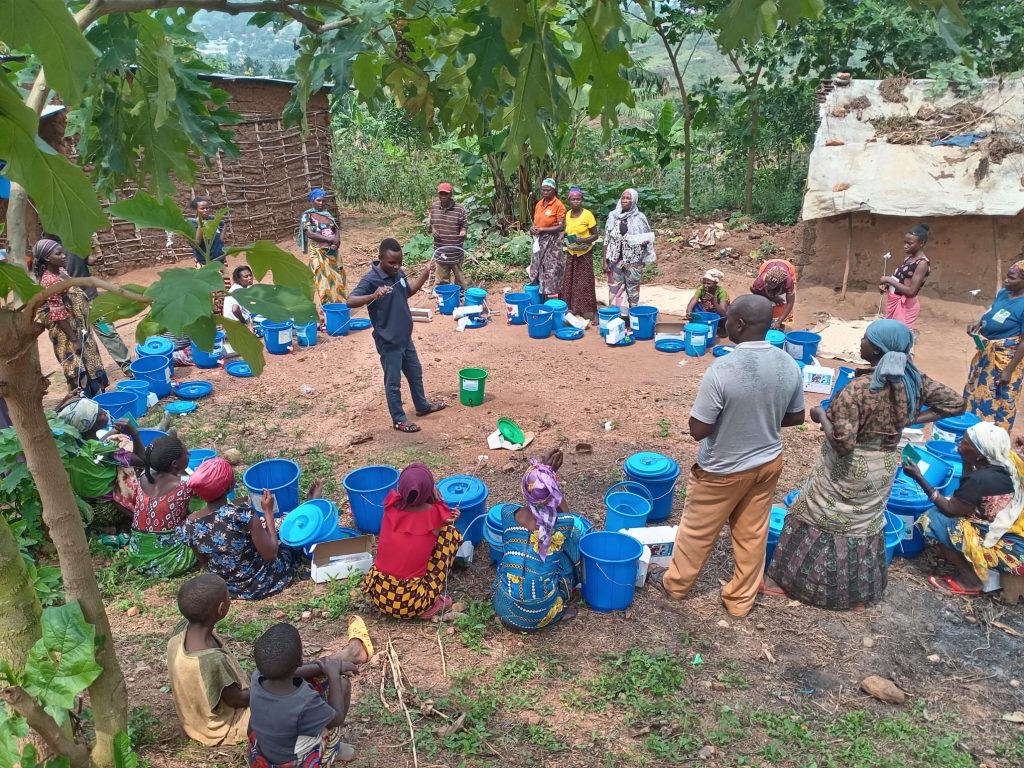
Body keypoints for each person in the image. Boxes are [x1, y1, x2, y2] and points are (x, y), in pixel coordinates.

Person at [765, 319, 965, 609]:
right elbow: (956, 404)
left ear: (877, 350)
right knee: (863, 527)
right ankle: (857, 597)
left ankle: (792, 585)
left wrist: (820, 414)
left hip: (845, 470)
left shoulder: (858, 390)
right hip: (881, 468)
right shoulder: (914, 381)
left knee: (817, 518)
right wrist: (910, 419)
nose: (861, 343)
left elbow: (843, 444)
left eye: (866, 339)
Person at [648, 296, 805, 617]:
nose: (724, 324)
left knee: (697, 530)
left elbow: (698, 429)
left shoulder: (723, 368)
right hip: (767, 463)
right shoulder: (788, 364)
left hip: (722, 469)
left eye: (728, 319)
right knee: (751, 533)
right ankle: (740, 601)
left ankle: (676, 586)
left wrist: (733, 418)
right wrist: (761, 417)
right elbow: (796, 417)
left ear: (740, 325)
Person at [166, 574, 373, 749]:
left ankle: (333, 661)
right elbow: (240, 699)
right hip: (227, 725)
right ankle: (332, 744)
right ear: (221, 609)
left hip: (196, 718)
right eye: (228, 596)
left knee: (285, 665)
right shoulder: (211, 662)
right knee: (322, 684)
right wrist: (309, 672)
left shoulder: (183, 631)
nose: (230, 598)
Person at [901, 423, 1024, 596]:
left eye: (965, 442)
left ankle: (970, 580)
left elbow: (951, 510)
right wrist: (966, 459)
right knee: (953, 502)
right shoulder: (1007, 461)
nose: (959, 442)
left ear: (981, 454)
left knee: (932, 519)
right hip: (1014, 528)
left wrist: (919, 477)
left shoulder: (979, 480)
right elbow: (970, 489)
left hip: (1013, 551)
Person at [347, 239, 445, 433]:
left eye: (399, 262)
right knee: (393, 382)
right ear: (380, 259)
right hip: (388, 341)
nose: (397, 266)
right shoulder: (370, 280)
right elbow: (350, 301)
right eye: (392, 262)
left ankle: (422, 406)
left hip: (404, 337)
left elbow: (407, 292)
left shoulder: (398, 273)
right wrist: (373, 295)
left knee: (415, 374)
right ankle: (399, 419)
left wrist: (426, 273)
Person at [183, 458, 310, 600]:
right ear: (229, 487)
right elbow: (271, 555)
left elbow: (203, 560)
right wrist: (268, 511)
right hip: (261, 584)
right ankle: (311, 503)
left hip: (226, 587)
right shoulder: (241, 514)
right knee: (290, 543)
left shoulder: (190, 523)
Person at [492, 450, 584, 630]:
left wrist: (541, 472)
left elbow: (531, 495)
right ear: (554, 492)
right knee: (570, 545)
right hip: (542, 613)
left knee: (515, 561)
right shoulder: (563, 524)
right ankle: (563, 600)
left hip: (505, 608)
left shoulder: (508, 514)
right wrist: (550, 478)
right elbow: (568, 517)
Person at [247, 623, 358, 766]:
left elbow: (294, 672)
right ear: (300, 660)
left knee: (318, 679)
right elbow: (337, 718)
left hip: (263, 751)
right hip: (291, 760)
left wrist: (324, 667)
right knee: (342, 685)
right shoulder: (305, 700)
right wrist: (333, 674)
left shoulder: (257, 677)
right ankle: (334, 749)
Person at [362, 463, 462, 620]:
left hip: (379, 592)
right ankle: (429, 605)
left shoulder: (391, 506)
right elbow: (447, 520)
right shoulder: (434, 515)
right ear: (429, 491)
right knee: (450, 535)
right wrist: (437, 500)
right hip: (409, 603)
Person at [43, 233, 132, 377]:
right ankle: (90, 376)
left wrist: (94, 259)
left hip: (90, 299)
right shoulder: (48, 247)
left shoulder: (75, 238)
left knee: (107, 331)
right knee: (81, 341)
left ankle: (127, 366)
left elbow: (86, 259)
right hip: (70, 306)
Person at [32, 238, 109, 397]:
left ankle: (99, 401)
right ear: (47, 258)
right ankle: (88, 407)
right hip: (68, 334)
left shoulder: (60, 271)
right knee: (78, 368)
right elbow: (58, 313)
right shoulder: (50, 280)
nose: (64, 255)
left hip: (79, 329)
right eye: (58, 253)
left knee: (91, 364)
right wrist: (74, 340)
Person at [55, 396, 144, 528]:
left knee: (115, 438)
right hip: (108, 510)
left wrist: (114, 432)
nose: (104, 412)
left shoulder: (70, 445)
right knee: (131, 468)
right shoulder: (103, 450)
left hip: (86, 506)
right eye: (100, 413)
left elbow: (95, 446)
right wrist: (134, 433)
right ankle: (135, 515)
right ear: (89, 424)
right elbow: (141, 460)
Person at [963, 262, 1024, 431]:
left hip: (1004, 360)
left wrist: (1008, 370)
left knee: (1000, 400)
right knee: (975, 394)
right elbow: (992, 311)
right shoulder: (1004, 293)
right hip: (986, 354)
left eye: (1011, 278)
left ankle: (993, 441)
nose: (1006, 280)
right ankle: (972, 433)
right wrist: (979, 324)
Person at [128, 435, 197, 577]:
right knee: (206, 516)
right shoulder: (185, 485)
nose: (189, 454)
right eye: (186, 453)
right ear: (174, 464)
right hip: (170, 562)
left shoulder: (143, 477)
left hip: (137, 556)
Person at [298, 188, 347, 318]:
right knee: (322, 281)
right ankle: (325, 310)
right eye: (318, 200)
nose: (321, 203)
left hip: (333, 253)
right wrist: (329, 239)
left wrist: (336, 242)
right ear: (312, 201)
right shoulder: (307, 215)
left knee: (337, 280)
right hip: (318, 253)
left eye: (323, 201)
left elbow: (336, 230)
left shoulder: (328, 215)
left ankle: (338, 307)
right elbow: (309, 233)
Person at [604, 188, 655, 308]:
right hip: (614, 259)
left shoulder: (640, 218)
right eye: (623, 198)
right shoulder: (613, 216)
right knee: (614, 290)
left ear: (634, 201)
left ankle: (632, 319)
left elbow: (647, 237)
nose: (625, 200)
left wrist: (644, 242)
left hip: (634, 261)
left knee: (633, 291)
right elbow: (607, 239)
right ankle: (616, 318)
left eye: (628, 198)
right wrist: (604, 261)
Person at [880, 223, 931, 331]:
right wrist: (887, 286)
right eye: (905, 242)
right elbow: (901, 281)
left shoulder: (922, 263)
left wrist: (889, 280)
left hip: (906, 306)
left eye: (910, 243)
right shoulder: (908, 259)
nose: (905, 246)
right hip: (894, 302)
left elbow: (911, 291)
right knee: (891, 336)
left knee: (900, 338)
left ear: (921, 243)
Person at [560, 186, 599, 319]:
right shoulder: (568, 214)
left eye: (578, 199)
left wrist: (583, 239)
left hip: (584, 253)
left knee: (585, 282)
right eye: (573, 199)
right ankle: (573, 308)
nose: (576, 202)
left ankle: (589, 310)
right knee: (570, 281)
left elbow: (596, 235)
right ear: (569, 200)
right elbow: (568, 231)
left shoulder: (587, 214)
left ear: (581, 200)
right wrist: (562, 236)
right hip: (572, 252)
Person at [429, 182, 468, 298]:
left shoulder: (459, 209)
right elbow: (431, 224)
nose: (443, 196)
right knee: (441, 279)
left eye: (445, 194)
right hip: (441, 250)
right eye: (441, 194)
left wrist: (463, 231)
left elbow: (464, 225)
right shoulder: (434, 208)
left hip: (456, 251)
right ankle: (444, 295)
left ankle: (460, 294)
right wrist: (433, 229)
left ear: (451, 194)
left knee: (459, 278)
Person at [529, 179, 567, 301]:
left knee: (551, 270)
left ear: (553, 190)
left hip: (552, 242)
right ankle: (540, 298)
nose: (545, 192)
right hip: (539, 241)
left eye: (548, 190)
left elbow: (561, 226)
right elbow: (536, 223)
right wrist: (533, 229)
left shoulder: (558, 205)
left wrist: (543, 229)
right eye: (543, 189)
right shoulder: (539, 204)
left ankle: (553, 301)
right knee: (538, 268)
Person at [750, 259, 797, 330]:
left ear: (780, 285)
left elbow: (790, 303)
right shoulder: (759, 282)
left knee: (782, 305)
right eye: (766, 283)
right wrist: (773, 298)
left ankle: (780, 325)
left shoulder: (788, 282)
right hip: (768, 265)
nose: (766, 286)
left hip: (787, 266)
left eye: (770, 286)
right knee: (764, 303)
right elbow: (755, 291)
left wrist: (779, 321)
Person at [686, 269, 731, 334]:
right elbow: (691, 304)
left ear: (715, 283)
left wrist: (713, 301)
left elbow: (723, 313)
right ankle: (699, 324)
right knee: (695, 306)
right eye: (704, 283)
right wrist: (689, 313)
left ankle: (722, 328)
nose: (705, 285)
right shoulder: (701, 289)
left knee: (728, 311)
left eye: (708, 283)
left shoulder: (722, 292)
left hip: (717, 313)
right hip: (705, 311)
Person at [188, 197, 226, 266]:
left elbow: (223, 224)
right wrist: (200, 226)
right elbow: (196, 244)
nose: (205, 210)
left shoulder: (213, 219)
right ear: (196, 210)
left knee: (222, 277)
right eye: (202, 209)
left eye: (207, 208)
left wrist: (220, 240)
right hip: (204, 261)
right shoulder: (192, 223)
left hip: (219, 258)